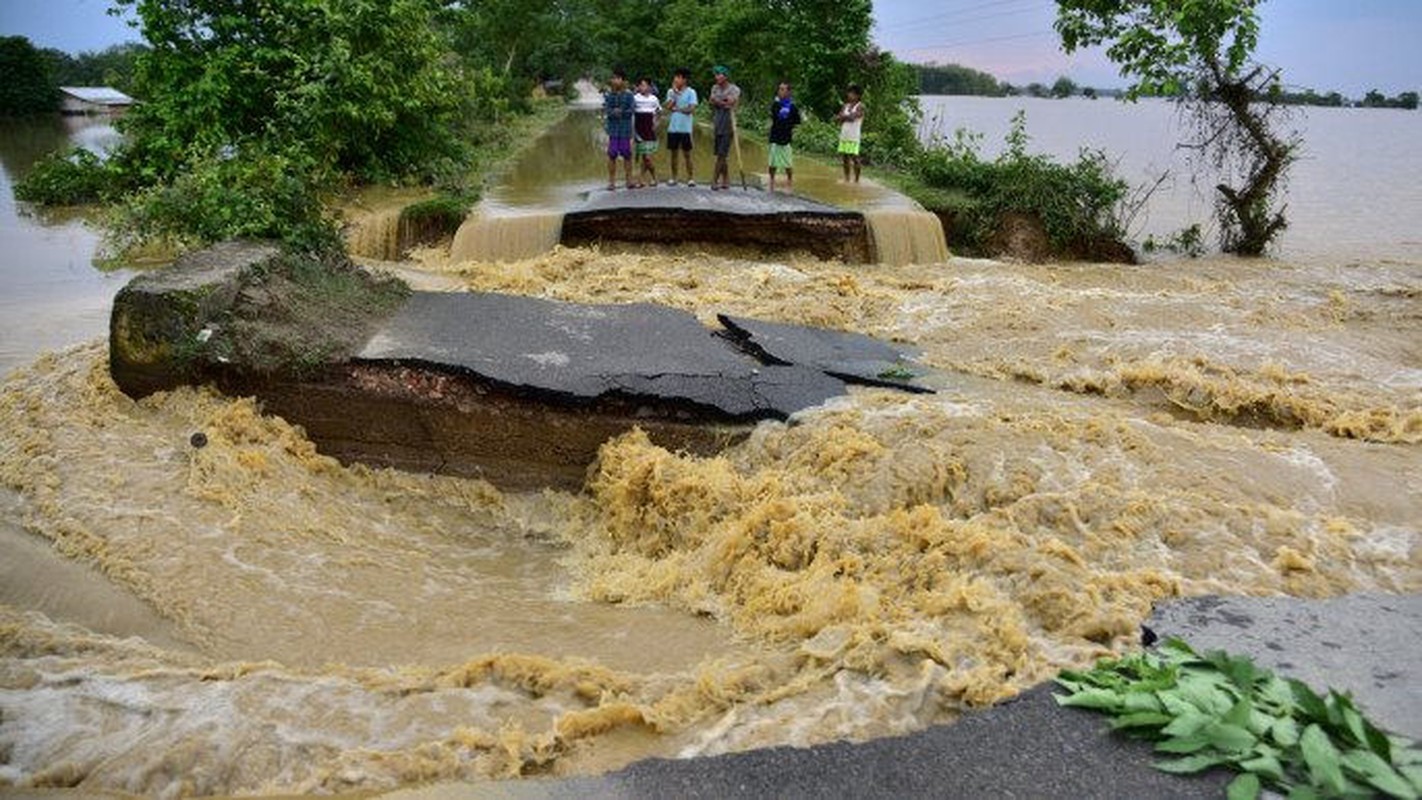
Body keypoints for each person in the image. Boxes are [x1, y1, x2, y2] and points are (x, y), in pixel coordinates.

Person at [707, 65, 740, 191]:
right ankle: (726, 179)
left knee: (721, 154)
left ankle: (714, 180)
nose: (716, 77)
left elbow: (731, 102)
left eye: (719, 74)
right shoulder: (714, 87)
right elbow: (712, 101)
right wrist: (722, 102)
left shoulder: (734, 89)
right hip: (717, 122)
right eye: (715, 75)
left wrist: (719, 101)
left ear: (725, 76)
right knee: (720, 153)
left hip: (728, 124)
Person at [663, 67, 698, 186]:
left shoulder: (691, 92)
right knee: (673, 154)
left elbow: (691, 109)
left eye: (678, 77)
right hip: (673, 128)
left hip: (686, 129)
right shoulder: (670, 92)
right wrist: (675, 95)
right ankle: (674, 177)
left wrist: (677, 109)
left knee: (687, 154)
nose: (675, 79)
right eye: (675, 77)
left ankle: (690, 178)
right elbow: (668, 107)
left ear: (684, 79)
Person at [602, 68, 636, 190]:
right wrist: (613, 112)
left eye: (617, 78)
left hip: (625, 129)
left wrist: (620, 112)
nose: (615, 81)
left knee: (627, 154)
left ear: (623, 80)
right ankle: (611, 182)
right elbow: (606, 110)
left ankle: (629, 180)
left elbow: (632, 110)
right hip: (613, 129)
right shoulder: (609, 95)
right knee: (612, 154)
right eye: (613, 78)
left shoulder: (629, 95)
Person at [766, 81, 802, 193]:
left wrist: (791, 126)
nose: (780, 91)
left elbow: (797, 121)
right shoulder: (775, 104)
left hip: (786, 138)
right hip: (775, 137)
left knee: (788, 164)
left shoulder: (793, 106)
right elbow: (775, 117)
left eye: (783, 89)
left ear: (788, 92)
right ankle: (771, 181)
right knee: (772, 163)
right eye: (779, 89)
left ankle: (789, 182)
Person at [632, 76, 661, 188]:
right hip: (639, 130)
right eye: (641, 85)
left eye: (645, 85)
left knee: (647, 157)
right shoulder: (635, 98)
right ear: (638, 87)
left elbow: (659, 112)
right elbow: (631, 114)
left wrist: (656, 123)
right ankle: (642, 179)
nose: (643, 87)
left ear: (649, 87)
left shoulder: (654, 99)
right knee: (644, 157)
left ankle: (653, 177)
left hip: (649, 130)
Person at [835, 84, 865, 183]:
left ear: (857, 95)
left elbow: (852, 118)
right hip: (844, 135)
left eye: (852, 93)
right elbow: (838, 119)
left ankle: (857, 180)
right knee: (845, 157)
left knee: (855, 157)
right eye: (849, 93)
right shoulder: (845, 106)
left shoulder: (860, 106)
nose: (849, 95)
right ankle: (847, 178)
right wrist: (844, 117)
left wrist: (843, 117)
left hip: (854, 136)